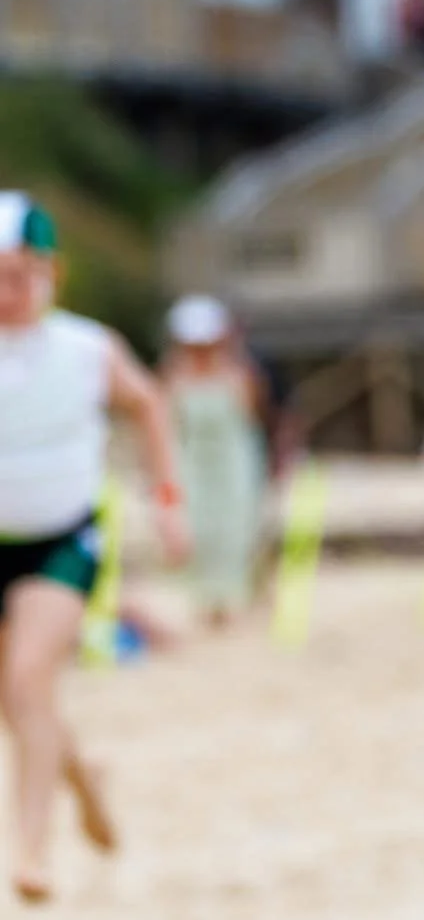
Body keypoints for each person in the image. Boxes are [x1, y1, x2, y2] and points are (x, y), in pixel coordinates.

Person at [0, 192, 189, 902]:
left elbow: (149, 406)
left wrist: (167, 502)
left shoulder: (87, 348)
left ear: (53, 271)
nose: (7, 291)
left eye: (20, 273)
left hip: (62, 539)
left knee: (27, 684)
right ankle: (86, 779)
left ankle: (29, 852)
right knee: (20, 703)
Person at [161, 294, 271, 627]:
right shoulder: (172, 377)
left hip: (234, 464)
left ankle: (237, 601)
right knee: (198, 530)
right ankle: (206, 604)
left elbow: (255, 420)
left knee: (237, 530)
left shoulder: (241, 375)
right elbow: (166, 430)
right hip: (192, 465)